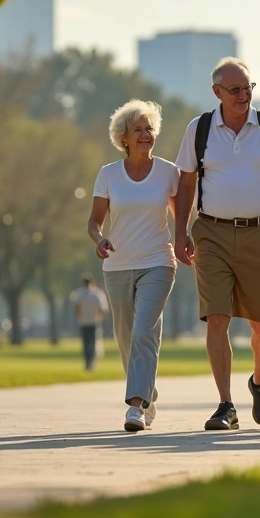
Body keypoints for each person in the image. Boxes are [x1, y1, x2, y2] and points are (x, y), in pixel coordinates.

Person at [173, 57, 260, 431]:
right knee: (217, 318)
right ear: (217, 93)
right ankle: (225, 404)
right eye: (235, 90)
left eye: (248, 88)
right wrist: (180, 232)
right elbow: (185, 184)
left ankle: (258, 381)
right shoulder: (200, 129)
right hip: (210, 233)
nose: (243, 96)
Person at [88, 99, 179, 433]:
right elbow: (94, 222)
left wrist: (185, 240)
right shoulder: (108, 174)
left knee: (144, 332)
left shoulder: (169, 172)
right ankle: (149, 392)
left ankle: (135, 407)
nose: (146, 134)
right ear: (123, 137)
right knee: (125, 337)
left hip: (158, 261)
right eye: (138, 129)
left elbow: (180, 215)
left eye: (150, 128)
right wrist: (99, 240)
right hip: (117, 265)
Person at [72, 275, 108, 372]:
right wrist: (99, 318)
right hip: (93, 321)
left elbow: (76, 307)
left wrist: (79, 316)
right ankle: (90, 363)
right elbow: (102, 308)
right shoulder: (96, 294)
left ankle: (88, 363)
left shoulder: (80, 293)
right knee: (92, 343)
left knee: (86, 343)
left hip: (84, 322)